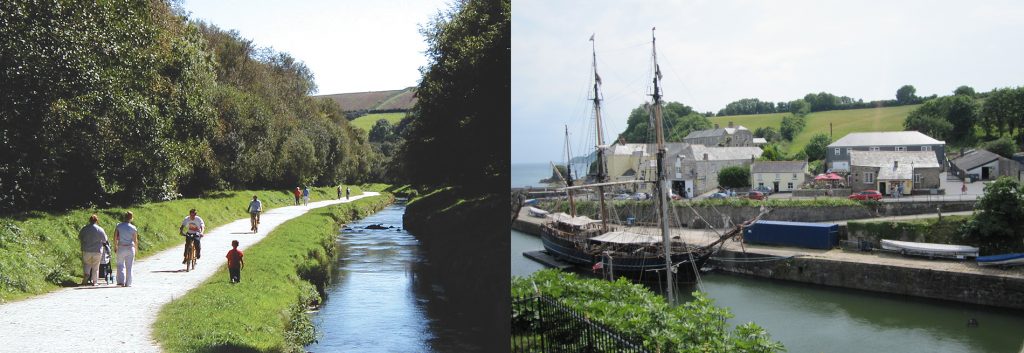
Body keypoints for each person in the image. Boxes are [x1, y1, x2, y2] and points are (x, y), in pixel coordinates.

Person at [78, 214, 107, 286]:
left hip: (86, 250)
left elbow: (80, 237)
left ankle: (86, 275)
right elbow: (104, 240)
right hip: (97, 250)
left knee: (86, 264)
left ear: (89, 220)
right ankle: (94, 282)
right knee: (95, 267)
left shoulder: (84, 228)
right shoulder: (100, 229)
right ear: (97, 221)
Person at [113, 211, 138, 287]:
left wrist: (115, 246)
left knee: (120, 264)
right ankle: (128, 283)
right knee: (129, 266)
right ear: (131, 218)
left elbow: (115, 237)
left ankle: (120, 281)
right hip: (130, 247)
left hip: (121, 247)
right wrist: (136, 249)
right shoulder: (133, 228)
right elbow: (135, 240)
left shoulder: (119, 226)